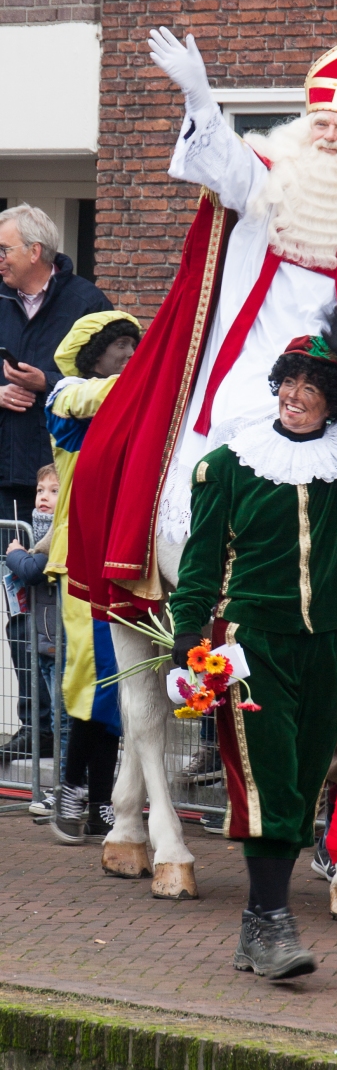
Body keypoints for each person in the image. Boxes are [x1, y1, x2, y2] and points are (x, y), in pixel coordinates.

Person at [67, 30, 337, 630]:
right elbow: (225, 160)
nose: (331, 138)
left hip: (327, 386)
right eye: (322, 124)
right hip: (248, 371)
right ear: (304, 127)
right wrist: (200, 98)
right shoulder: (266, 183)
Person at [168, 314, 337, 981]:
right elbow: (199, 566)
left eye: (313, 386)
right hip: (251, 648)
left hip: (330, 646)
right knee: (265, 782)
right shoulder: (227, 466)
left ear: (333, 400)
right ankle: (271, 923)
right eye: (290, 383)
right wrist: (189, 641)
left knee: (302, 787)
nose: (297, 396)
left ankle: (257, 926)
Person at [0, 204, 112, 761]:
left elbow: (109, 374)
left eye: (5, 249)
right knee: (21, 603)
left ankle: (73, 730)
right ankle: (32, 723)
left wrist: (47, 383)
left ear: (35, 253)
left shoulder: (86, 302)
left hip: (63, 484)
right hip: (8, 473)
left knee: (70, 608)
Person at [44, 311, 141, 844]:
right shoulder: (65, 395)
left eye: (134, 345)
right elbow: (93, 398)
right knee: (95, 679)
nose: (129, 354)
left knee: (121, 682)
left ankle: (95, 794)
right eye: (119, 345)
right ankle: (82, 792)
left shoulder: (126, 399)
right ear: (92, 352)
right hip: (78, 560)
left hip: (124, 558)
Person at [2, 464, 61, 780]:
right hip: (42, 634)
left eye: (53, 491)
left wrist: (16, 556)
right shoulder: (34, 526)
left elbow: (37, 567)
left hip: (58, 634)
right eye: (40, 491)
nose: (43, 497)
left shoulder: (60, 528)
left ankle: (67, 785)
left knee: (64, 717)